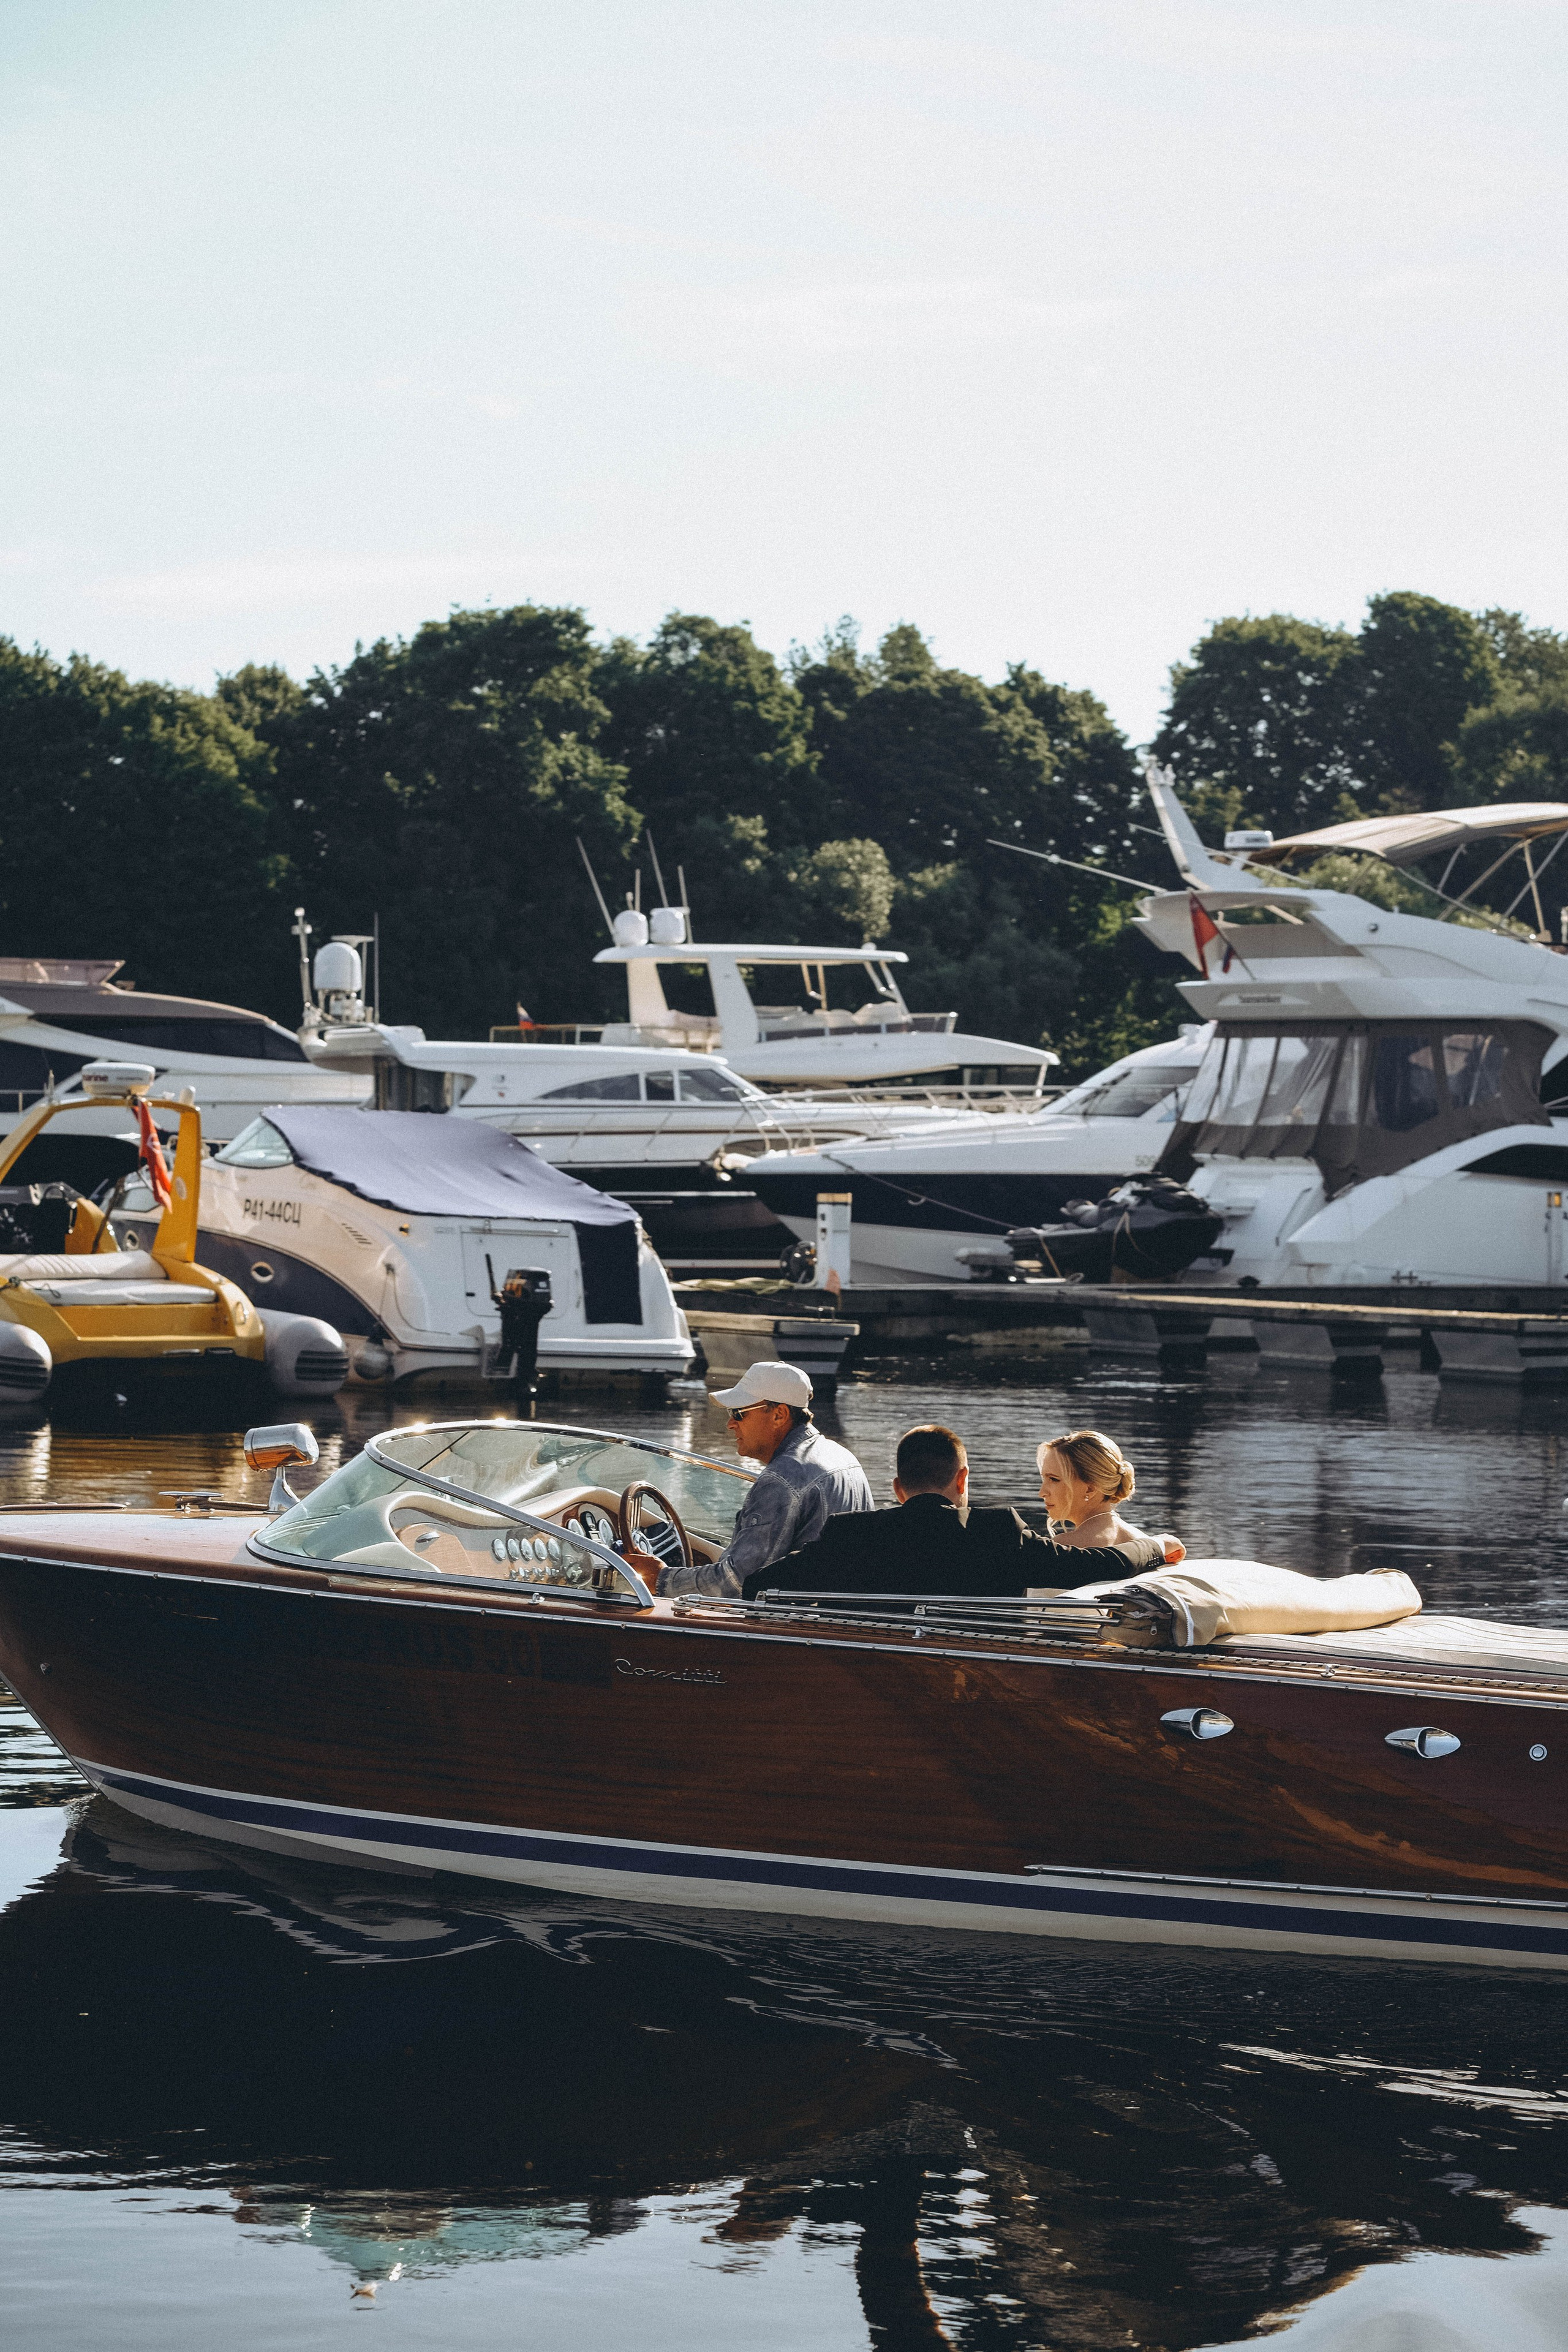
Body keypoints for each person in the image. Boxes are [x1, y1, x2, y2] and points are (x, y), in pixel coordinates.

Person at [744, 1422, 1184, 1600]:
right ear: (962, 1480)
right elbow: (1107, 1562)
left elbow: (759, 1586)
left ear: (897, 1489)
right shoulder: (999, 1532)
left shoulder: (848, 1535)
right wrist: (1158, 1545)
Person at [655, 1361, 872, 1598]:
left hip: (789, 1627)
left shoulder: (781, 1479)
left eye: (739, 1413)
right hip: (831, 1613)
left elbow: (737, 1584)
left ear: (779, 1415)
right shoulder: (842, 1456)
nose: (730, 1424)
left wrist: (658, 1579)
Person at [1036, 1430, 1144, 1549]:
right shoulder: (1147, 1542)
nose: (1042, 1493)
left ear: (1090, 1489)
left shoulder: (1066, 1546)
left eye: (1054, 1479)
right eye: (1044, 1479)